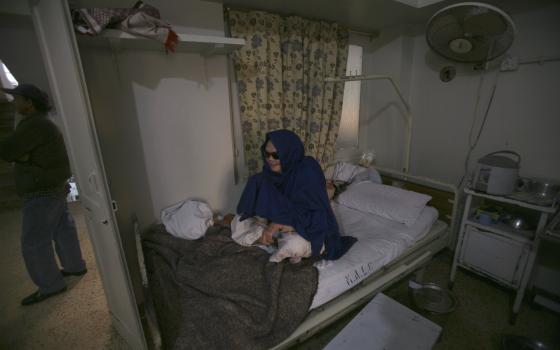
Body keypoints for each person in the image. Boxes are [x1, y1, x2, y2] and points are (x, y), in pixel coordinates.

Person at [0, 84, 87, 306]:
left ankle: (51, 285)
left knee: (34, 241)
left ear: (29, 102)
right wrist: (24, 157)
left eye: (17, 98)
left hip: (41, 189)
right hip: (53, 186)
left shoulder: (34, 125)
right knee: (62, 229)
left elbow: (7, 150)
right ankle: (75, 266)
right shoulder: (44, 122)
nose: (14, 102)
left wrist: (23, 158)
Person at [237, 129, 356, 260]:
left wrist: (279, 224)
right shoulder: (269, 174)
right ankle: (269, 240)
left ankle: (272, 242)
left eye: (276, 155)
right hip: (281, 224)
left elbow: (316, 214)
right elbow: (267, 205)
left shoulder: (307, 170)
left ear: (288, 153)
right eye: (267, 154)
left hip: (310, 227)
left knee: (294, 245)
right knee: (240, 220)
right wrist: (267, 222)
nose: (270, 159)